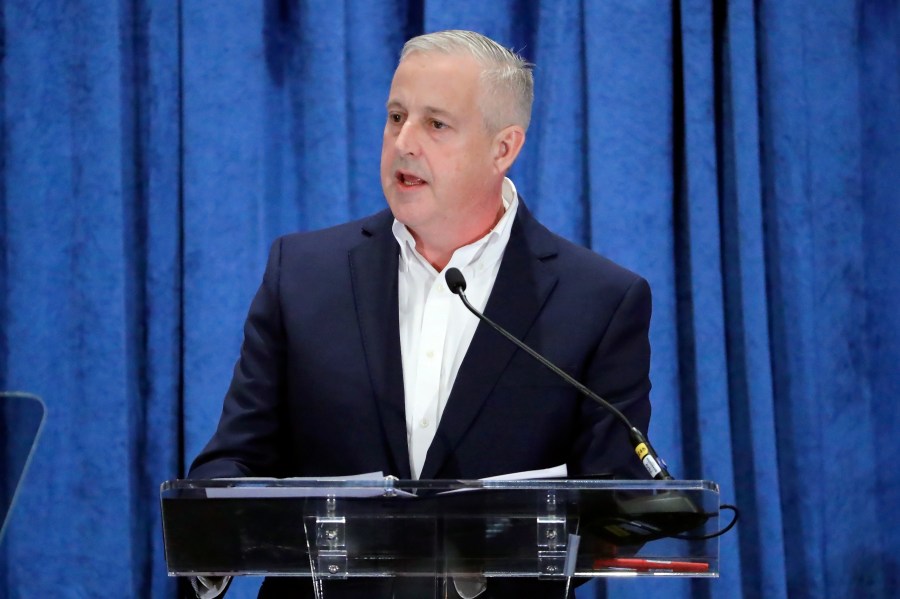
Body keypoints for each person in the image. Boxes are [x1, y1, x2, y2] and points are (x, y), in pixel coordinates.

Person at [189, 30, 653, 599]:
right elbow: (233, 459)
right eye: (395, 116)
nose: (404, 142)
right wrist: (216, 535)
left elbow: (614, 501)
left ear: (503, 148)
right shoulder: (303, 274)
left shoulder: (599, 300)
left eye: (436, 124)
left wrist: (490, 547)